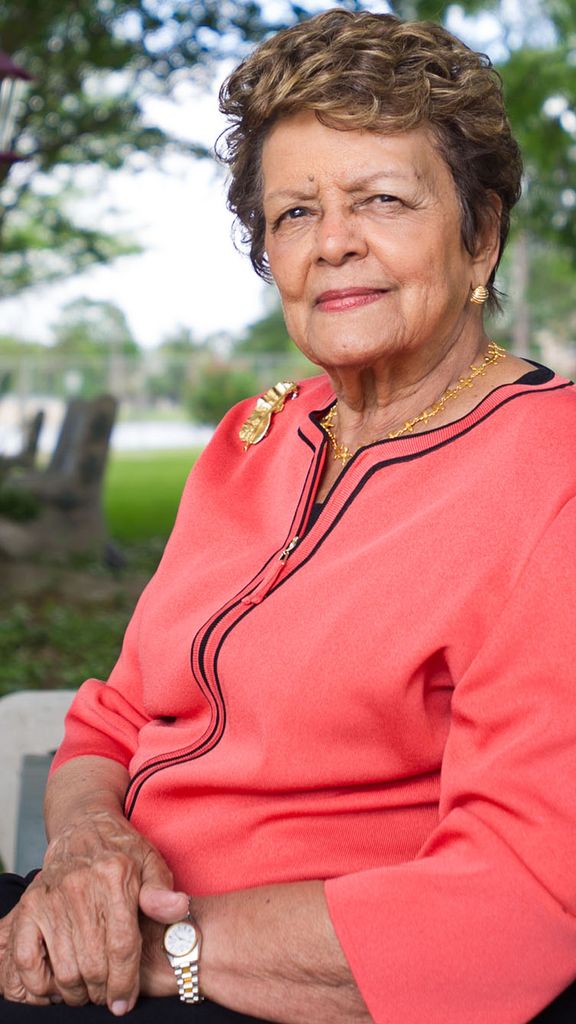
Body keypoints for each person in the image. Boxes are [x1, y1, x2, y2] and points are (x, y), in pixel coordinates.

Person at [1, 9, 576, 1023]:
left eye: (382, 199)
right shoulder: (252, 440)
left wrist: (156, 947)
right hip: (109, 932)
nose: (334, 242)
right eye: (294, 213)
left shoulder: (552, 473)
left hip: (273, 985)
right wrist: (91, 849)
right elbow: (113, 717)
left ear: (481, 234)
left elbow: (519, 904)